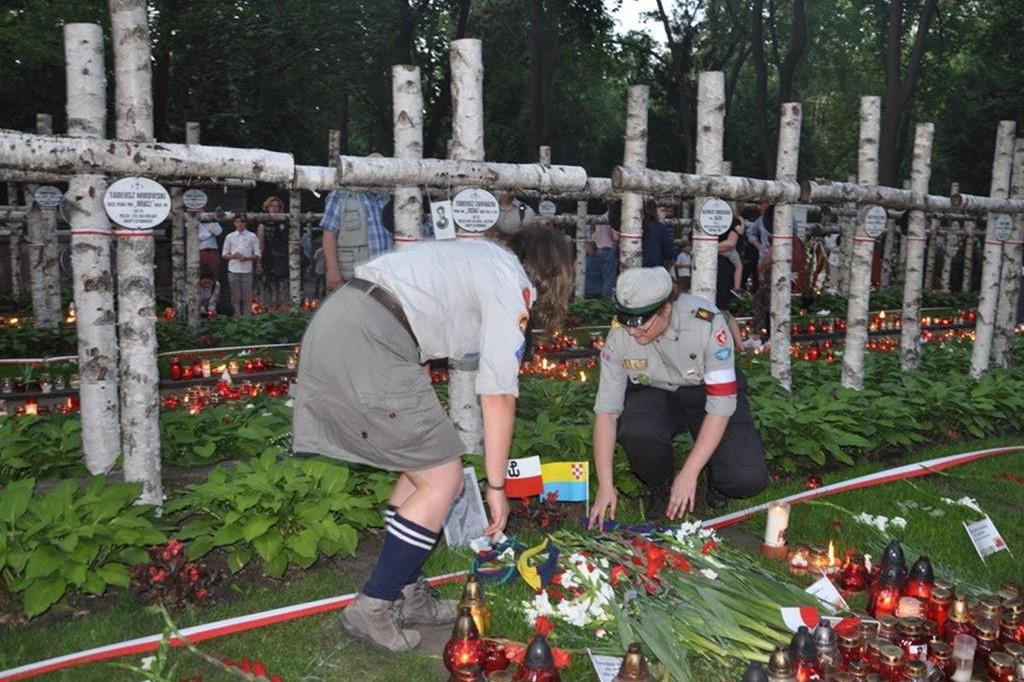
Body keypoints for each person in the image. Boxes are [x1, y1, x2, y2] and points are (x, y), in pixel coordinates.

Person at [293, 226, 574, 652]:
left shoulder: (480, 257)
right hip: (370, 339)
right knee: (445, 480)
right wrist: (497, 487)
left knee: (423, 470)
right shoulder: (509, 281)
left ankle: (407, 591)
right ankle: (375, 603)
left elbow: (424, 320)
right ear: (553, 274)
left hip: (345, 320)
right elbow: (498, 392)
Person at [588, 267, 769, 529]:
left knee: (746, 479)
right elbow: (606, 412)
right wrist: (605, 485)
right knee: (638, 430)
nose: (633, 333)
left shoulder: (707, 323)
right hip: (655, 395)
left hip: (705, 392)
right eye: (627, 324)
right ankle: (660, 485)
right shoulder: (620, 335)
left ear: (665, 309)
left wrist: (690, 472)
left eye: (641, 325)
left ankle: (715, 477)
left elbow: (721, 405)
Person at [320, 155, 392, 291]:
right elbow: (329, 234)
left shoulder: (389, 197)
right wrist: (332, 271)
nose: (377, 173)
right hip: (353, 274)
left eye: (382, 169)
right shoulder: (341, 195)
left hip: (386, 276)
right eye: (372, 167)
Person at [222, 213, 260, 317]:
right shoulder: (230, 236)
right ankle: (237, 316)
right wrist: (233, 256)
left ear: (246, 223)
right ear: (234, 223)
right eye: (237, 222)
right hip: (233, 269)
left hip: (246, 270)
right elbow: (224, 254)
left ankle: (247, 317)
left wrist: (246, 258)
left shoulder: (252, 236)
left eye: (242, 222)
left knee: (247, 297)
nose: (240, 224)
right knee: (235, 296)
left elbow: (257, 253)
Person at [256, 195, 290, 309]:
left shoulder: (286, 222)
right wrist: (259, 262)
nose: (274, 208)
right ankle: (269, 308)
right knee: (268, 284)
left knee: (283, 284)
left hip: (283, 256)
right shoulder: (263, 224)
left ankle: (284, 308)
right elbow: (260, 244)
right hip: (268, 256)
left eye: (276, 206)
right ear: (267, 207)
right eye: (272, 206)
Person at [641, 198, 674, 270]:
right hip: (656, 268)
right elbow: (668, 252)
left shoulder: (637, 227)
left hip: (638, 268)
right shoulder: (660, 227)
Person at [196, 214, 223, 282]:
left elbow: (219, 232)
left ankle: (214, 289)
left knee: (215, 271)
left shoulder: (212, 222)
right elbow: (198, 238)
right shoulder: (196, 222)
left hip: (213, 250)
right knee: (199, 271)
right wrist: (210, 235)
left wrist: (212, 222)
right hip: (200, 250)